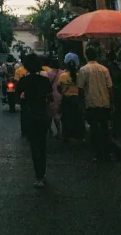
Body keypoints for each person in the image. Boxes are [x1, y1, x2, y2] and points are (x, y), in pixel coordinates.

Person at [16, 53, 53, 188]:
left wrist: (25, 98)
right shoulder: (44, 81)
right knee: (42, 145)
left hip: (29, 115)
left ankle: (38, 175)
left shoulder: (23, 81)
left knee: (34, 146)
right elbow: (50, 98)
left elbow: (18, 98)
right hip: (42, 115)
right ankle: (41, 173)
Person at [77, 45, 113, 162]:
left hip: (91, 103)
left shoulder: (83, 70)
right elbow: (110, 87)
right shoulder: (104, 69)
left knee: (94, 129)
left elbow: (81, 89)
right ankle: (107, 153)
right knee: (104, 128)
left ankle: (98, 153)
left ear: (86, 56)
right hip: (105, 102)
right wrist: (112, 102)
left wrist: (81, 103)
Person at [57, 53, 85, 141]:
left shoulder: (62, 76)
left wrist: (63, 93)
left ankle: (67, 135)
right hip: (77, 99)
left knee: (66, 118)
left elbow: (58, 87)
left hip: (66, 100)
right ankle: (80, 135)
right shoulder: (80, 76)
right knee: (79, 118)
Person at [105, 50, 121, 137]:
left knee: (116, 112)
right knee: (116, 112)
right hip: (115, 90)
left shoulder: (108, 67)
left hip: (114, 90)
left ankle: (116, 131)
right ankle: (117, 131)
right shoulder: (112, 67)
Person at [44, 58, 63, 139]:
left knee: (49, 114)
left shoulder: (47, 73)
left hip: (50, 95)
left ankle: (50, 130)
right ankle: (59, 131)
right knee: (57, 114)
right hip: (59, 94)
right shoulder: (62, 72)